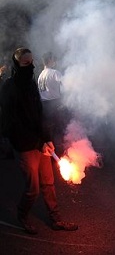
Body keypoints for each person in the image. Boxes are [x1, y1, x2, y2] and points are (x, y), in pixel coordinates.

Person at [0, 48, 77, 235]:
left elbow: (39, 114)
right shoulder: (9, 88)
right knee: (33, 188)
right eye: (26, 63)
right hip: (25, 146)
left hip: (40, 143)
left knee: (49, 182)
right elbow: (12, 125)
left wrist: (47, 139)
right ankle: (22, 215)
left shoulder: (32, 83)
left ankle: (56, 219)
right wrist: (37, 143)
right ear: (17, 65)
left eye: (32, 62)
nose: (31, 66)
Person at [38, 52, 66, 149]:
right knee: (59, 129)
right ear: (49, 60)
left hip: (44, 105)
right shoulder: (54, 73)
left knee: (49, 130)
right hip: (54, 104)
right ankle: (61, 151)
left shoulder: (40, 75)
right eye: (53, 59)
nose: (55, 61)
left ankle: (53, 151)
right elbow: (66, 84)